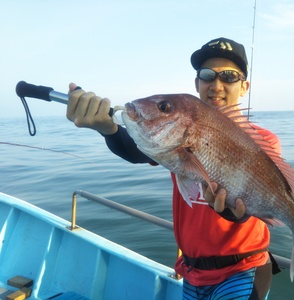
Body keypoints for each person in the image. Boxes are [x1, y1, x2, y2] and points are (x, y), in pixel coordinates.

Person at [67, 37, 281, 300]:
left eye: (228, 76)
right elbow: (136, 150)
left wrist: (233, 213)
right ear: (197, 83)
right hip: (192, 274)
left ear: (244, 85)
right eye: (207, 75)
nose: (216, 85)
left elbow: (252, 203)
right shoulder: (178, 133)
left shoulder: (263, 142)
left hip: (242, 271)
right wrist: (107, 128)